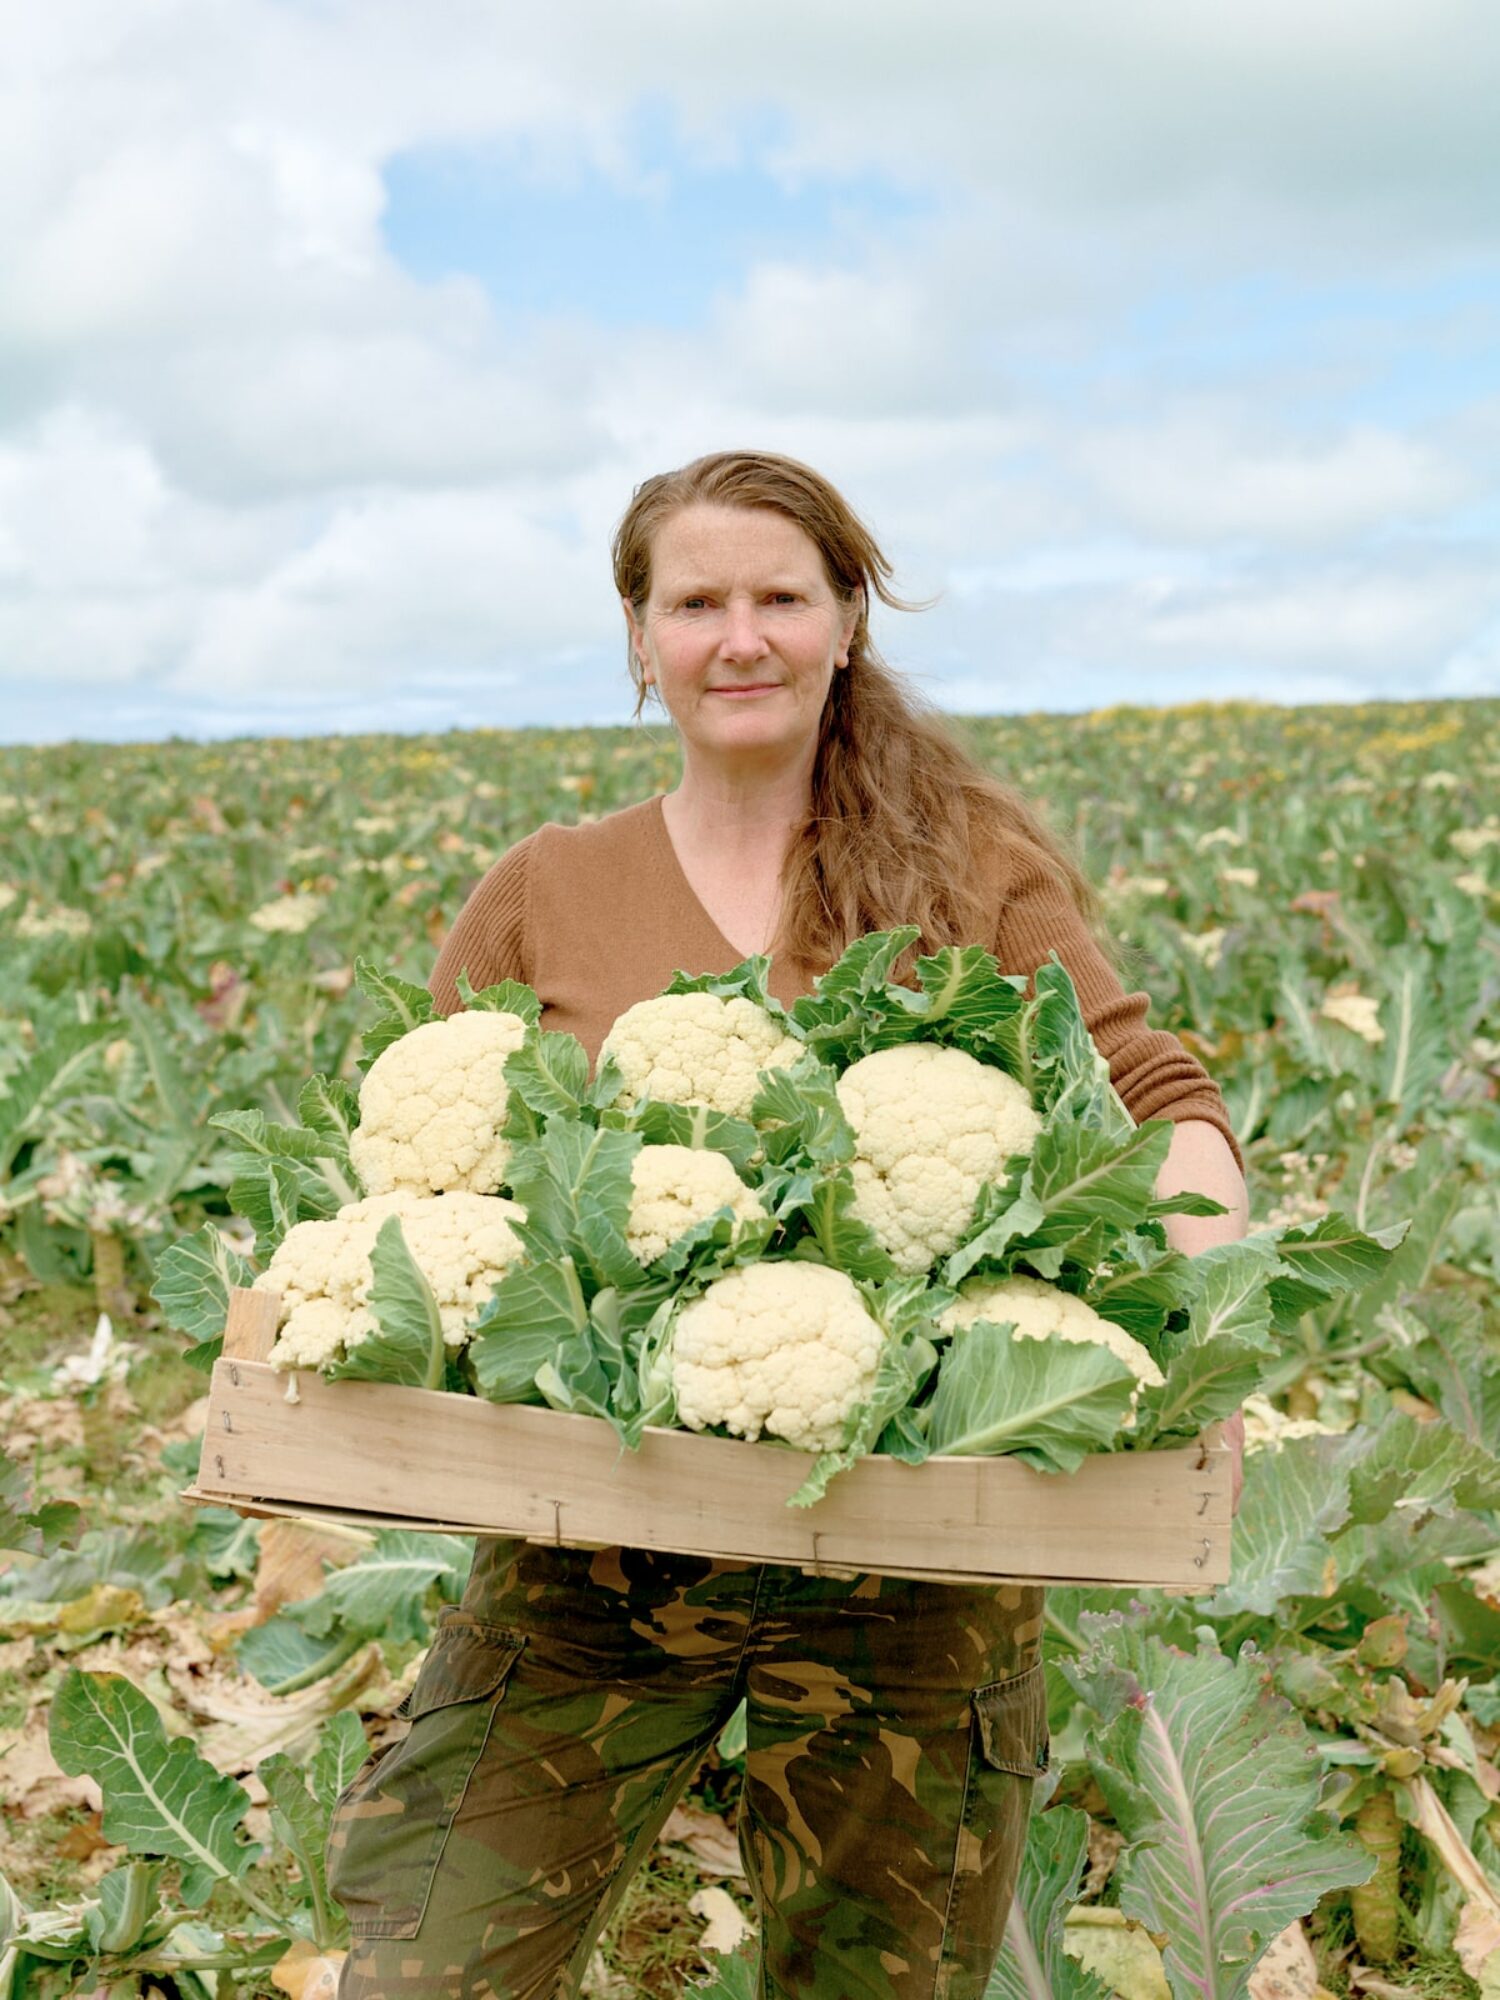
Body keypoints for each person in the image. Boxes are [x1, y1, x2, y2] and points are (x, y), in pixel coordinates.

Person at [329, 450, 1249, 2000]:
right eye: (696, 601)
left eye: (778, 596)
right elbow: (432, 1191)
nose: (737, 635)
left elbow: (1156, 1091)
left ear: (843, 628)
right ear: (640, 640)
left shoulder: (965, 872)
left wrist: (1196, 1304)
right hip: (588, 1561)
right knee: (429, 1964)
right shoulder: (544, 894)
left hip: (916, 1576)